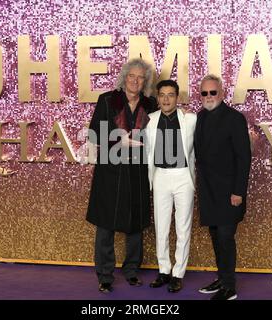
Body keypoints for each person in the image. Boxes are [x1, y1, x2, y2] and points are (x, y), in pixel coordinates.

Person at [86, 58, 157, 293]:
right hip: (111, 170)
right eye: (132, 76)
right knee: (106, 224)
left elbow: (160, 133)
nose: (135, 81)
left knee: (134, 223)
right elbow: (95, 134)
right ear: (124, 77)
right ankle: (105, 275)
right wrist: (118, 139)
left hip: (137, 170)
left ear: (145, 82)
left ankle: (131, 271)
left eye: (140, 77)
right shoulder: (107, 99)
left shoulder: (151, 103)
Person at [194, 74, 251, 300]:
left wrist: (238, 191)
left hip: (230, 192)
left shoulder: (235, 118)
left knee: (226, 237)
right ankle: (222, 278)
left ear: (222, 93)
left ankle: (229, 286)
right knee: (216, 236)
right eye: (204, 93)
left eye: (213, 92)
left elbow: (243, 158)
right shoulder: (199, 117)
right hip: (208, 191)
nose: (208, 97)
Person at [145, 80, 196, 293]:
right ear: (157, 98)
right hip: (161, 176)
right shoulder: (149, 120)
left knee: (183, 227)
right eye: (162, 95)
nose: (166, 99)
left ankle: (178, 273)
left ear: (177, 97)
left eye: (171, 95)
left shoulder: (191, 119)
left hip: (183, 175)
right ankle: (164, 270)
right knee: (161, 227)